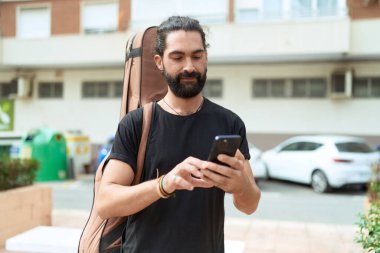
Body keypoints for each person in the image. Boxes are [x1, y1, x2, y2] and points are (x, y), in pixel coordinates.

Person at [96, 16, 261, 253]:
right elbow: (105, 203)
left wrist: (240, 185)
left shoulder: (229, 123)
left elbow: (249, 205)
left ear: (206, 58)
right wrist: (165, 183)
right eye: (177, 57)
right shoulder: (137, 123)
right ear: (159, 61)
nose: (189, 67)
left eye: (197, 56)